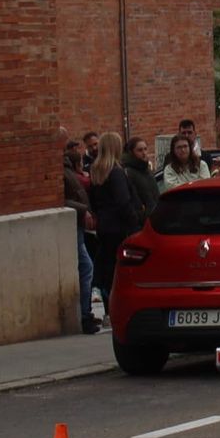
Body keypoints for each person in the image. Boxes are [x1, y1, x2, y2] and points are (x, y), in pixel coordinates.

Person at [87, 132, 137, 316]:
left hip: (104, 226)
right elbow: (123, 201)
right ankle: (119, 308)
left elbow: (93, 201)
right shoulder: (116, 172)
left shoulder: (96, 172)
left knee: (108, 268)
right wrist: (134, 220)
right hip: (119, 227)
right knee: (119, 269)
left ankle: (109, 308)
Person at [63, 139, 101, 334]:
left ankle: (86, 313)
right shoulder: (63, 170)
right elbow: (63, 199)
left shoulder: (66, 169)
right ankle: (85, 315)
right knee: (86, 267)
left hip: (78, 225)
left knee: (86, 267)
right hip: (75, 224)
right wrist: (83, 209)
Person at [122, 136, 160, 221]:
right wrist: (142, 215)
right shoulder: (128, 172)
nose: (144, 153)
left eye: (145, 149)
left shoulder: (147, 170)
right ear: (131, 152)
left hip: (156, 215)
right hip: (143, 220)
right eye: (140, 150)